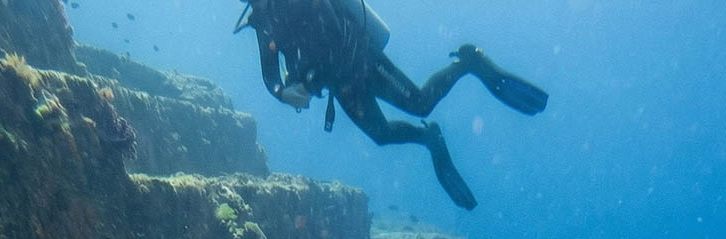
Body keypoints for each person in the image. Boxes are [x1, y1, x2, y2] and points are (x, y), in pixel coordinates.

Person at [235, 0, 548, 210]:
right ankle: (430, 138)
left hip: (365, 64)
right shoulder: (264, 21)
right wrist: (282, 92)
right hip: (342, 87)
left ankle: (469, 63)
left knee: (421, 103)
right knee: (382, 135)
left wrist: (308, 76)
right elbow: (269, 74)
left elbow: (332, 35)